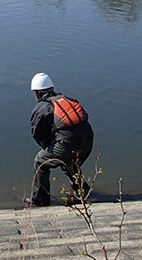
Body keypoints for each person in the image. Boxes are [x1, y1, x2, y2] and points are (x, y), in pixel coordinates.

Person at [26, 72, 94, 207]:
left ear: (37, 93)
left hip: (68, 143)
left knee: (40, 162)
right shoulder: (68, 99)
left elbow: (37, 134)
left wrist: (49, 147)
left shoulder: (41, 108)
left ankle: (41, 200)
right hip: (88, 140)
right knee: (70, 163)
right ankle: (81, 192)